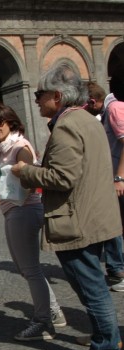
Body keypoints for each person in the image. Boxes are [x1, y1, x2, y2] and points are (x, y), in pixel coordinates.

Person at [12, 63, 121, 350]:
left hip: (78, 219)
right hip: (94, 213)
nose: (36, 100)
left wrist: (25, 171)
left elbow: (62, 177)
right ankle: (106, 335)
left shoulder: (66, 125)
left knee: (90, 286)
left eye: (40, 94)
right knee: (94, 283)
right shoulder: (86, 119)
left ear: (57, 96)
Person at [0, 102, 66, 341]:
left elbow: (28, 178)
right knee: (25, 268)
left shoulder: (20, 146)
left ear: (10, 122)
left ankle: (44, 322)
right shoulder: (2, 149)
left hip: (25, 208)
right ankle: (54, 312)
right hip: (13, 210)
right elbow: (7, 173)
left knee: (30, 269)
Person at [86, 82, 124, 292]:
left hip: (120, 178)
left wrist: (119, 177)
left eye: (87, 105)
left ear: (93, 101)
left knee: (115, 224)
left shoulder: (114, 109)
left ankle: (119, 270)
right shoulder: (110, 111)